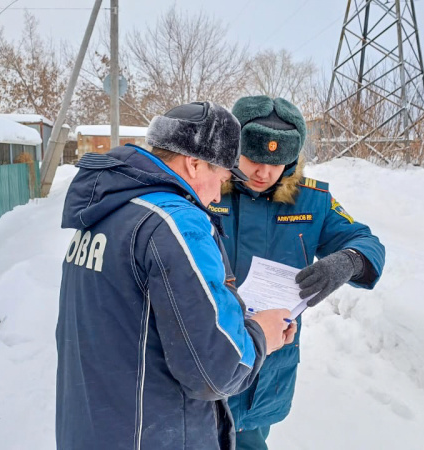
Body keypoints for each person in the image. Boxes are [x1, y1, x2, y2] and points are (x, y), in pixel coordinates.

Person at [56, 101, 292, 450]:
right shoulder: (176, 223)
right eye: (222, 179)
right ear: (194, 163)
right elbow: (215, 369)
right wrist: (262, 335)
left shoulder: (106, 211)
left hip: (94, 431)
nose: (215, 197)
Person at [211, 96, 386, 449]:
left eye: (276, 163)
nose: (264, 173)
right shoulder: (204, 188)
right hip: (208, 352)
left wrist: (348, 261)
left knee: (249, 440)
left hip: (268, 368)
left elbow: (366, 241)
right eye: (254, 160)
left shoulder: (313, 200)